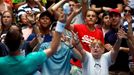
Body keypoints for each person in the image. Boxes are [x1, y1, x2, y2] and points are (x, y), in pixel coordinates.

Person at [0, 12, 67, 75]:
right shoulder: (31, 60)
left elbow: (39, 38)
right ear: (22, 41)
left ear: (5, 42)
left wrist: (33, 23)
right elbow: (52, 49)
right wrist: (60, 24)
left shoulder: (1, 63)